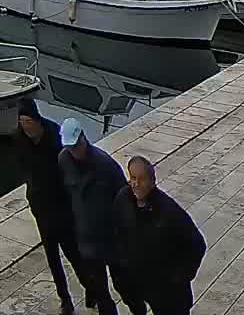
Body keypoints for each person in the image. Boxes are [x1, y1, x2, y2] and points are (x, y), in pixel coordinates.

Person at [113, 157, 205, 315]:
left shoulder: (169, 211)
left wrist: (178, 278)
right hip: (137, 280)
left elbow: (197, 244)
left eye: (141, 179)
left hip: (167, 291)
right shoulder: (123, 199)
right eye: (133, 178)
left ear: (152, 181)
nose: (136, 184)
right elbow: (116, 231)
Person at [58, 118, 132, 315]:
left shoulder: (105, 164)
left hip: (112, 240)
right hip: (87, 241)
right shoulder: (63, 160)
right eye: (69, 148)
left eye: (76, 146)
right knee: (100, 292)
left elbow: (125, 199)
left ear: (84, 138)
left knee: (125, 288)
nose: (74, 151)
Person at [13, 101, 80, 314]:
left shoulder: (54, 134)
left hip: (61, 206)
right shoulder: (19, 138)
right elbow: (22, 165)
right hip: (41, 207)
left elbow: (68, 169)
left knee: (73, 253)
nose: (25, 126)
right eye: (22, 122)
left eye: (28, 121)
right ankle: (65, 299)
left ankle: (90, 287)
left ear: (37, 120)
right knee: (52, 256)